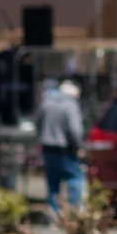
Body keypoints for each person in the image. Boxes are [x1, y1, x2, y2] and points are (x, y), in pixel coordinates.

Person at [37, 75, 85, 217]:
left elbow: (38, 123)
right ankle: (74, 213)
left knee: (53, 184)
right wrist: (79, 147)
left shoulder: (46, 103)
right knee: (75, 180)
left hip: (47, 148)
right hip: (65, 150)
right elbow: (75, 130)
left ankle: (53, 215)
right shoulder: (70, 105)